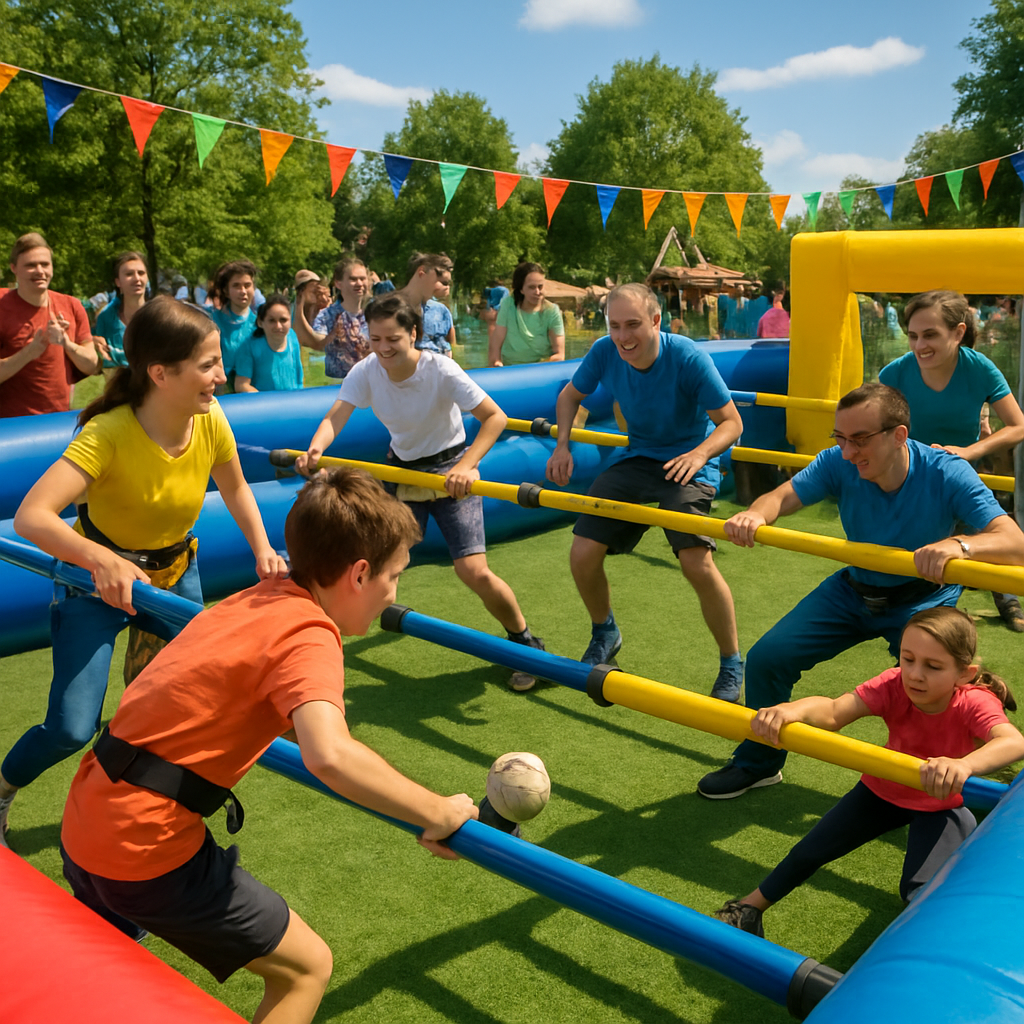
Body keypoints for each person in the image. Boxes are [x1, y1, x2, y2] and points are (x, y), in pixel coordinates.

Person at [57, 468, 476, 1024]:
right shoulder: (308, 633)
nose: (394, 593)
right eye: (394, 576)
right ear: (359, 573)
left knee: (109, 964)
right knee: (306, 969)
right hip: (141, 847)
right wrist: (437, 812)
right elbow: (330, 755)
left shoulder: (255, 598)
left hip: (84, 819)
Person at [0, 296, 288, 847]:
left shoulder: (210, 417)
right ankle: (1, 789)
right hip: (93, 584)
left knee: (175, 707)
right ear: (160, 373)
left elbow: (235, 487)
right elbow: (31, 517)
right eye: (208, 364)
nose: (221, 375)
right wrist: (103, 560)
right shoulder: (107, 433)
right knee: (71, 728)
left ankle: (137, 809)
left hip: (174, 575)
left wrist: (262, 549)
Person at [697, 382, 1024, 800]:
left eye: (860, 439)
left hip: (923, 597)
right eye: (841, 438)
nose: (848, 451)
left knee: (931, 683)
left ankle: (970, 780)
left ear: (899, 435)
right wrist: (755, 514)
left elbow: (1014, 542)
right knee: (767, 658)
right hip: (853, 589)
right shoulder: (838, 462)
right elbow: (783, 495)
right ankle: (758, 763)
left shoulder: (945, 471)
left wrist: (960, 545)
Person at [714, 606, 1024, 938]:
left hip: (941, 803)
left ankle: (927, 945)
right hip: (883, 789)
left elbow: (1013, 742)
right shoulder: (894, 683)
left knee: (920, 891)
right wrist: (793, 709)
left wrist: (963, 764)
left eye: (933, 666)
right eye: (907, 659)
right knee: (809, 851)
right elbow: (834, 711)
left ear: (964, 674)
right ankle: (748, 909)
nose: (915, 674)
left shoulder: (974, 701)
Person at [298, 293, 545, 692]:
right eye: (375, 338)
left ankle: (526, 643)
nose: (383, 348)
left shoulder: (440, 369)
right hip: (403, 473)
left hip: (451, 473)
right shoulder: (366, 370)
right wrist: (316, 448)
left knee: (473, 571)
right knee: (368, 561)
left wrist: (467, 466)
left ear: (413, 334)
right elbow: (335, 416)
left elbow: (495, 418)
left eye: (392, 339)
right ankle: (319, 640)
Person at [545, 282, 746, 698]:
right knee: (582, 552)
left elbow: (732, 423)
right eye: (615, 325)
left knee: (695, 561)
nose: (623, 336)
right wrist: (562, 445)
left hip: (690, 459)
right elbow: (568, 397)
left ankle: (731, 663)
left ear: (655, 321)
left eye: (633, 324)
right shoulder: (604, 351)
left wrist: (699, 454)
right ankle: (605, 632)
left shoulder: (687, 355)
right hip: (640, 458)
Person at [880, 290, 1024, 631]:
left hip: (961, 472)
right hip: (910, 476)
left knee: (990, 533)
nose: (919, 345)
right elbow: (875, 428)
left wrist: (969, 451)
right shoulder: (894, 374)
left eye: (930, 335)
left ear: (958, 333)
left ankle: (1007, 597)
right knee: (916, 553)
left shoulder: (979, 368)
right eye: (913, 336)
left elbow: (1018, 425)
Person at [0, 233, 99, 416]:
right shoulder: (2, 306)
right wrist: (29, 352)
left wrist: (66, 343)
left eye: (45, 264)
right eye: (30, 265)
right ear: (14, 268)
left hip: (58, 421)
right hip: (9, 425)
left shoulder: (71, 305)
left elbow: (91, 365)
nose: (40, 271)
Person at [292, 257, 369, 380]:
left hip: (369, 383)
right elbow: (317, 344)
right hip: (337, 386)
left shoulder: (375, 314)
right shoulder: (326, 315)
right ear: (338, 283)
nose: (359, 283)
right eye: (353, 279)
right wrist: (334, 335)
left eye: (363, 279)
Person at [488, 262, 565, 366]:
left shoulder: (552, 311)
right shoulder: (508, 305)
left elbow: (559, 355)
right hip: (510, 368)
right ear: (521, 289)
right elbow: (495, 346)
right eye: (531, 287)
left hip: (541, 368)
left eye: (540, 287)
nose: (537, 292)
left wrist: (536, 368)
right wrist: (497, 363)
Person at [206, 259, 260, 387]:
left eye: (247, 285)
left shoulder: (261, 325)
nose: (243, 291)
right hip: (218, 390)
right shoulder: (211, 322)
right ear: (226, 291)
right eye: (236, 286)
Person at [235, 295, 304, 393]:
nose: (278, 326)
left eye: (283, 320)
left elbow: (299, 378)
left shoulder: (292, 337)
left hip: (293, 400)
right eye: (272, 321)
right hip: (263, 401)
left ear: (290, 321)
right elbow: (241, 385)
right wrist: (265, 400)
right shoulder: (250, 346)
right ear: (260, 323)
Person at [92, 251, 149, 370]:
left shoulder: (159, 317)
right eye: (129, 274)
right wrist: (94, 344)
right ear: (118, 282)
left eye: (141, 273)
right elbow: (102, 362)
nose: (137, 278)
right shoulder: (105, 319)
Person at [397, 252, 456, 357]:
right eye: (440, 282)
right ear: (422, 273)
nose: (444, 288)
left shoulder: (440, 310)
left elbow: (450, 346)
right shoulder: (389, 309)